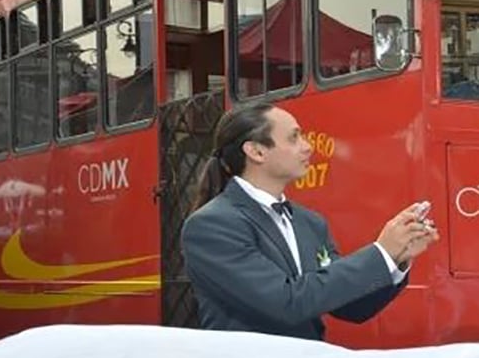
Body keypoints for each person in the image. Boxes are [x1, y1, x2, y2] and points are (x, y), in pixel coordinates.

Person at [181, 101, 437, 341]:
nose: (307, 146)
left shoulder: (310, 222)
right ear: (256, 151)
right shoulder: (211, 226)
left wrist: (397, 258)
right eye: (294, 138)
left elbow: (351, 308)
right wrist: (380, 252)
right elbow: (285, 303)